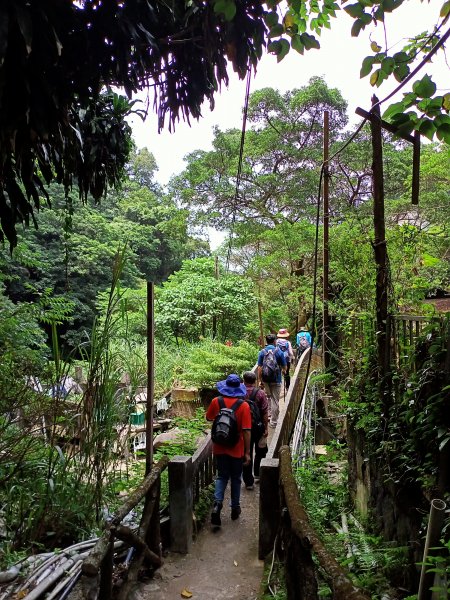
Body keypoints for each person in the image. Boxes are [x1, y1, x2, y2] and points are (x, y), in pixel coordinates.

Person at [206, 373, 251, 527]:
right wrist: (247, 453)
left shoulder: (215, 401)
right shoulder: (243, 405)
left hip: (219, 447)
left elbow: (209, 417)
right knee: (236, 478)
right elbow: (246, 430)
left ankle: (218, 505)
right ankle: (235, 508)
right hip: (236, 448)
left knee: (221, 477)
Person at [242, 371, 269, 489]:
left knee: (246, 452)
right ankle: (257, 473)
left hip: (243, 427)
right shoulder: (261, 393)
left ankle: (248, 482)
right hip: (257, 426)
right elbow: (264, 412)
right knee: (260, 450)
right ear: (255, 381)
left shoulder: (239, 392)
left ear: (244, 380)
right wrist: (266, 427)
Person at [257, 333, 287, 429]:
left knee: (268, 397)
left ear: (266, 341)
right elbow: (284, 367)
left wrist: (260, 380)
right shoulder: (279, 352)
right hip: (276, 380)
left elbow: (259, 368)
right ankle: (274, 422)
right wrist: (283, 371)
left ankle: (269, 415)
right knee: (275, 400)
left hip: (265, 379)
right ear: (274, 341)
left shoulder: (262, 352)